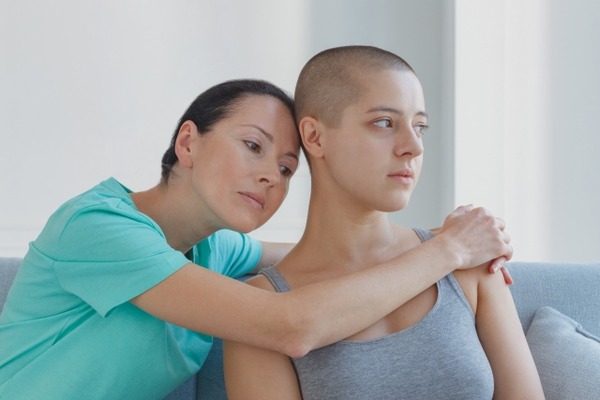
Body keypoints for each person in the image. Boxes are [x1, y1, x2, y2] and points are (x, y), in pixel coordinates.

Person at [0, 79, 512, 400]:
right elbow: (290, 326)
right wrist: (449, 250)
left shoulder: (213, 250)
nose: (271, 175)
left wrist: (453, 239)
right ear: (188, 142)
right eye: (252, 145)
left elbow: (332, 255)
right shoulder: (98, 228)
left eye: (287, 168)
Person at [223, 47, 543, 399]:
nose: (413, 147)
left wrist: (452, 247)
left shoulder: (469, 258)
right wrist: (449, 248)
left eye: (419, 127)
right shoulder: (259, 310)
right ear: (315, 137)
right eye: (384, 123)